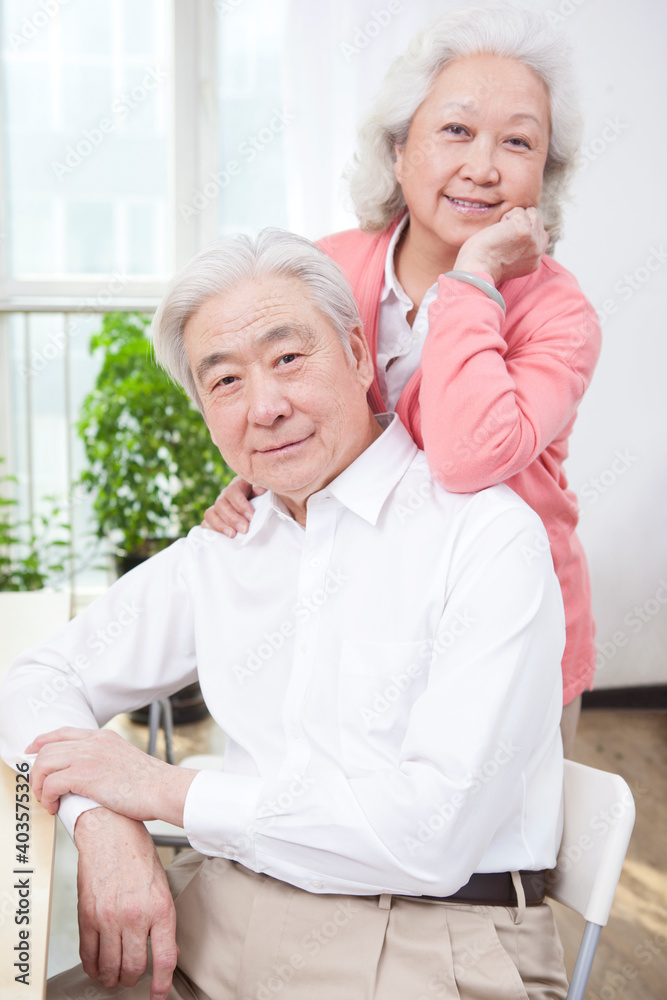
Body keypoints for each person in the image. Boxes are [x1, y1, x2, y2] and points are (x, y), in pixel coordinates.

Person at [0, 229, 568, 1000]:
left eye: (289, 358)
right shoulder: (230, 545)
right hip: (216, 913)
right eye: (225, 382)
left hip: (426, 941)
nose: (265, 407)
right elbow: (36, 677)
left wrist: (163, 792)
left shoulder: (483, 536)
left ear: (360, 357)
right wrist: (102, 820)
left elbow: (428, 835)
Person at [205, 4, 602, 755]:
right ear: (397, 150)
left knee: (477, 865)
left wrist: (473, 279)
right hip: (360, 638)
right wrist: (261, 479)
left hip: (504, 642)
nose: (483, 167)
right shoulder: (323, 269)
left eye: (517, 142)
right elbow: (285, 412)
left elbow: (465, 457)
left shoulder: (560, 314)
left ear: (542, 176)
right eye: (455, 130)